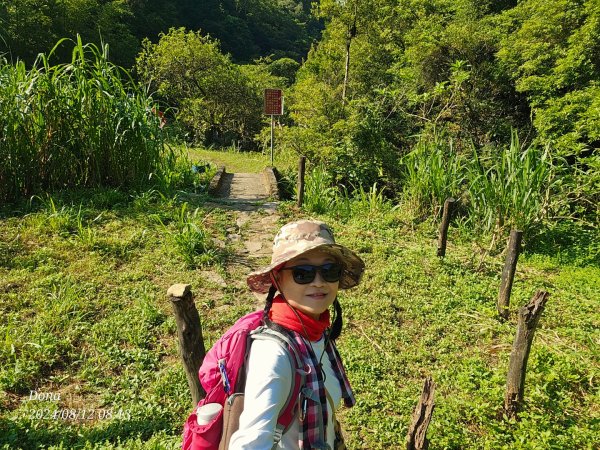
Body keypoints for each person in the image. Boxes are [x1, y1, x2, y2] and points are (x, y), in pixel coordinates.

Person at [229, 219, 365, 450]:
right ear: (277, 279)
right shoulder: (274, 355)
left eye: (329, 270)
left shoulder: (315, 330)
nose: (319, 282)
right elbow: (249, 444)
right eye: (303, 273)